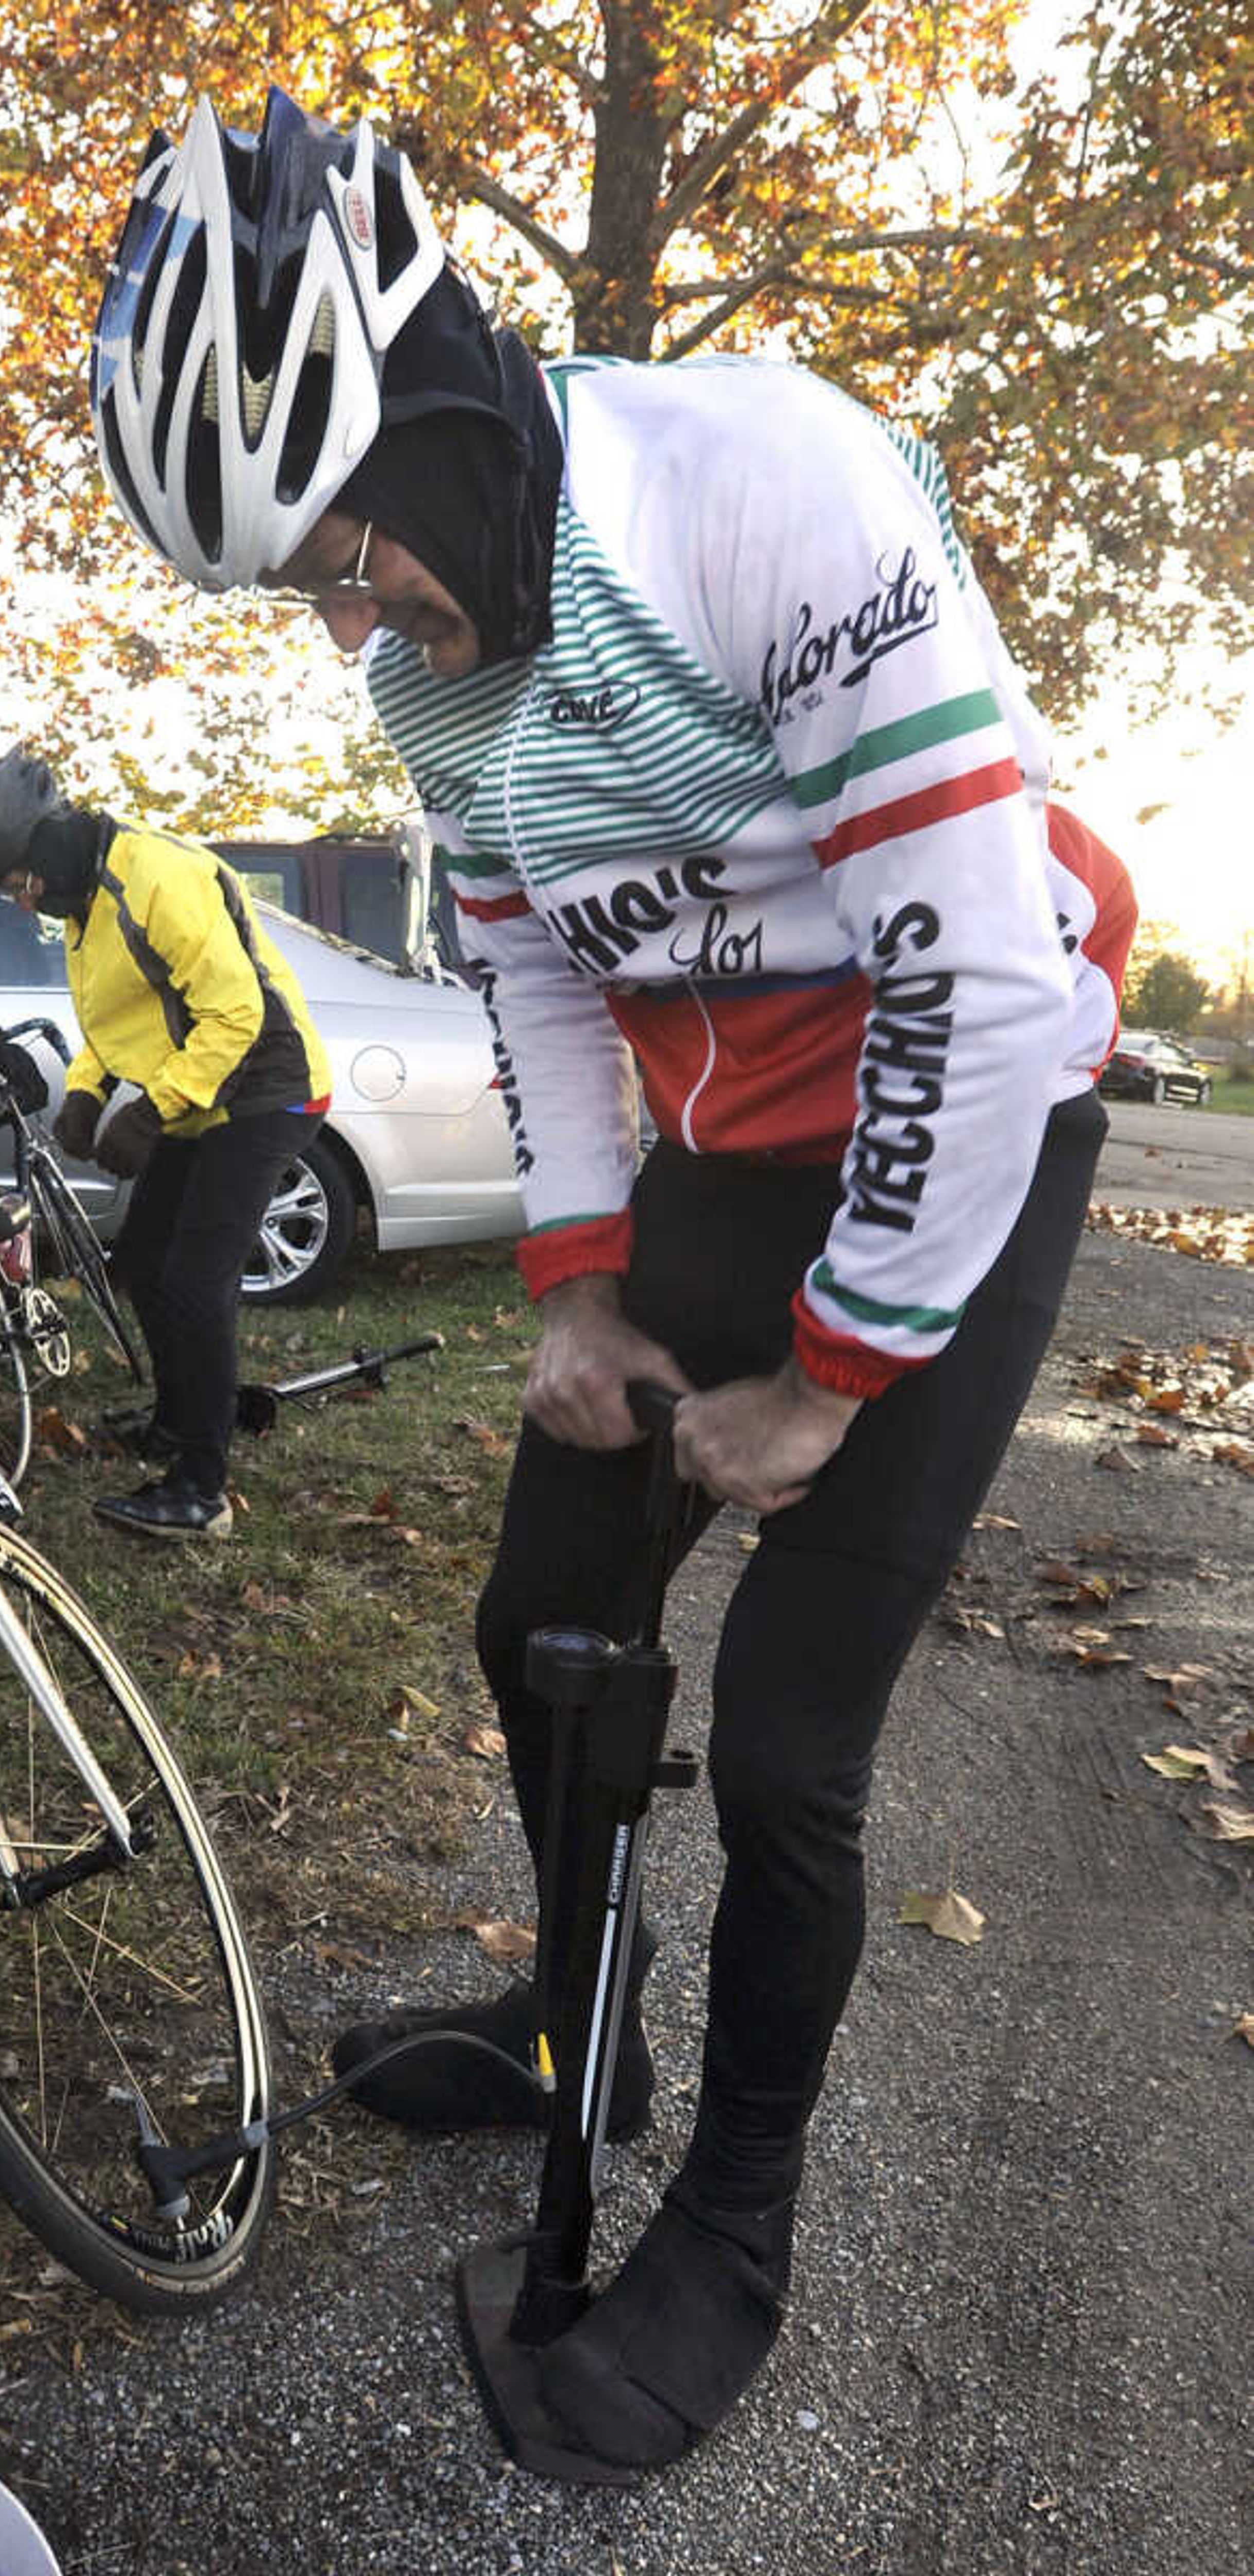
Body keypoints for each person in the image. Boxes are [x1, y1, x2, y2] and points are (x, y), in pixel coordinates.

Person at [87, 91, 1137, 2476]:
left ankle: (737, 2214)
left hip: (971, 1107)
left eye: (341, 553)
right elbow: (547, 989)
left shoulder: (767, 491)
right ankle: (586, 2024)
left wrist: (836, 1382)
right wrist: (577, 1287)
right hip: (748, 1138)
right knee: (533, 1612)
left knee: (780, 1734)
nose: (343, 621)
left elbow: (970, 981)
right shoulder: (434, 693)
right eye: (300, 591)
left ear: (442, 420)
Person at [0, 747, 331, 1538]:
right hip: (202, 1095)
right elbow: (120, 1019)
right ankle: (178, 1420)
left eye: (21, 882)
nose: (25, 902)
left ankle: (200, 1489)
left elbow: (235, 1018)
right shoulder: (85, 900)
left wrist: (151, 1110)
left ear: (47, 844)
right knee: (146, 1264)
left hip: (267, 1089)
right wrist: (88, 1091)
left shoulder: (154, 876)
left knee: (194, 1279)